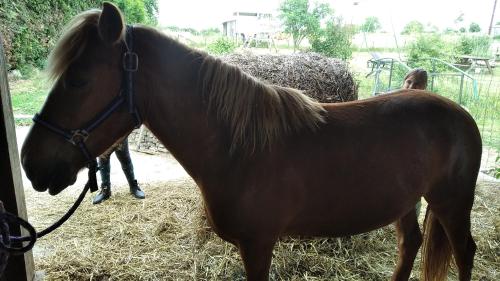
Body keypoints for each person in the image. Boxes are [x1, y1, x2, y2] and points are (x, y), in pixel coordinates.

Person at [93, 138, 145, 204]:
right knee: (103, 159)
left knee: (125, 158)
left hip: (120, 133)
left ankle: (134, 187)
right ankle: (105, 191)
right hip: (103, 134)